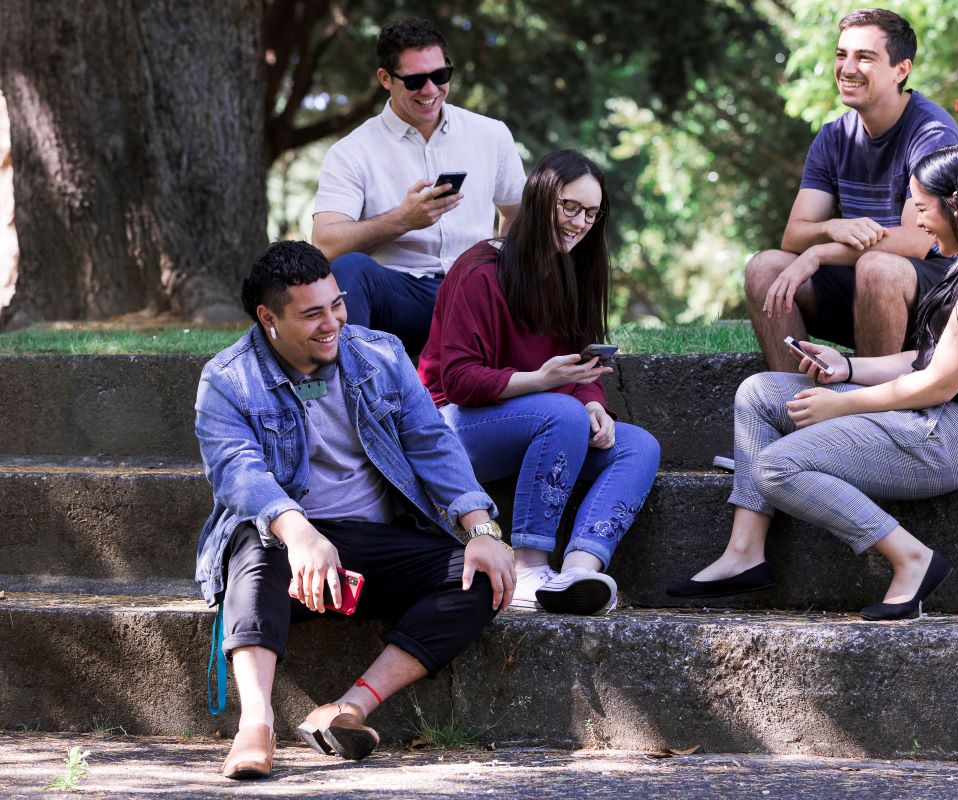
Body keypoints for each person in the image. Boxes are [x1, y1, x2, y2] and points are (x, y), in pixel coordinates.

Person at [670, 145, 958, 620]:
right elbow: (922, 360)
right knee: (759, 393)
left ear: (955, 203)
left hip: (954, 434)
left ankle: (911, 558)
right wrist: (848, 369)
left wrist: (841, 405)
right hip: (923, 417)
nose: (918, 222)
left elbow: (937, 384)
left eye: (922, 208)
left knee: (775, 468)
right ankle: (745, 553)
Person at [195, 241, 515, 780]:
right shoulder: (228, 380)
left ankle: (349, 708)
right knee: (252, 551)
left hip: (373, 544)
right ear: (267, 318)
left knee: (479, 578)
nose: (332, 322)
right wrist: (299, 532)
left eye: (336, 304)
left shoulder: (381, 354)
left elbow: (431, 442)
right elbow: (237, 471)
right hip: (285, 541)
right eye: (312, 313)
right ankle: (257, 723)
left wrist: (480, 527)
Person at [419, 150, 660, 615]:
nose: (580, 222)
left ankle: (579, 570)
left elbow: (581, 361)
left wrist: (592, 403)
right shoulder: (480, 271)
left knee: (638, 446)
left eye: (591, 212)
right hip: (450, 431)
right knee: (561, 412)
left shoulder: (572, 271)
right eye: (570, 206)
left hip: (547, 424)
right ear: (540, 198)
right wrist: (542, 381)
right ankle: (529, 568)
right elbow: (459, 381)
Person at [746, 8, 958, 370]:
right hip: (866, 289)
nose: (847, 68)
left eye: (864, 57)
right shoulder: (834, 137)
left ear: (901, 70)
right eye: (841, 54)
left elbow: (916, 241)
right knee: (764, 268)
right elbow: (794, 236)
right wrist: (832, 227)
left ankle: (872, 417)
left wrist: (819, 253)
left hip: (937, 294)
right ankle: (792, 404)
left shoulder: (931, 132)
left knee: (878, 267)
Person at [311, 17, 526, 357]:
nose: (430, 90)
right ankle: (356, 391)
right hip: (404, 295)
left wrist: (502, 263)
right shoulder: (352, 151)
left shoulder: (491, 134)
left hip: (476, 290)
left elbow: (518, 212)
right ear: (385, 78)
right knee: (349, 268)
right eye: (414, 80)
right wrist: (403, 220)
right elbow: (325, 243)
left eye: (440, 76)